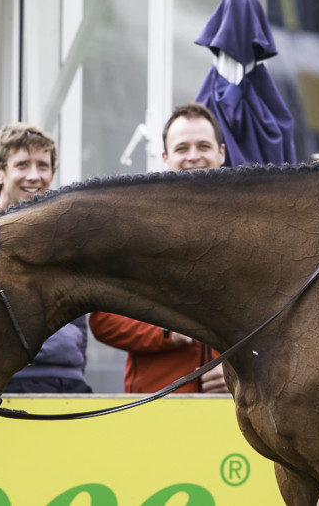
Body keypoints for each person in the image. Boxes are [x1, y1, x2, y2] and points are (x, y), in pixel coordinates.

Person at [89, 103, 229, 394]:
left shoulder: (246, 228)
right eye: (182, 148)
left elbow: (276, 321)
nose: (193, 156)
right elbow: (104, 320)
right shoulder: (136, 229)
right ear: (166, 157)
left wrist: (240, 373)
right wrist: (165, 331)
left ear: (221, 154)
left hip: (235, 411)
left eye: (203, 146)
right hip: (155, 410)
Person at [0, 123, 91, 393]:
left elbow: (79, 319)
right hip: (0, 383)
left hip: (67, 382)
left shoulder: (66, 236)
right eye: (22, 165)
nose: (34, 176)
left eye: (43, 166)